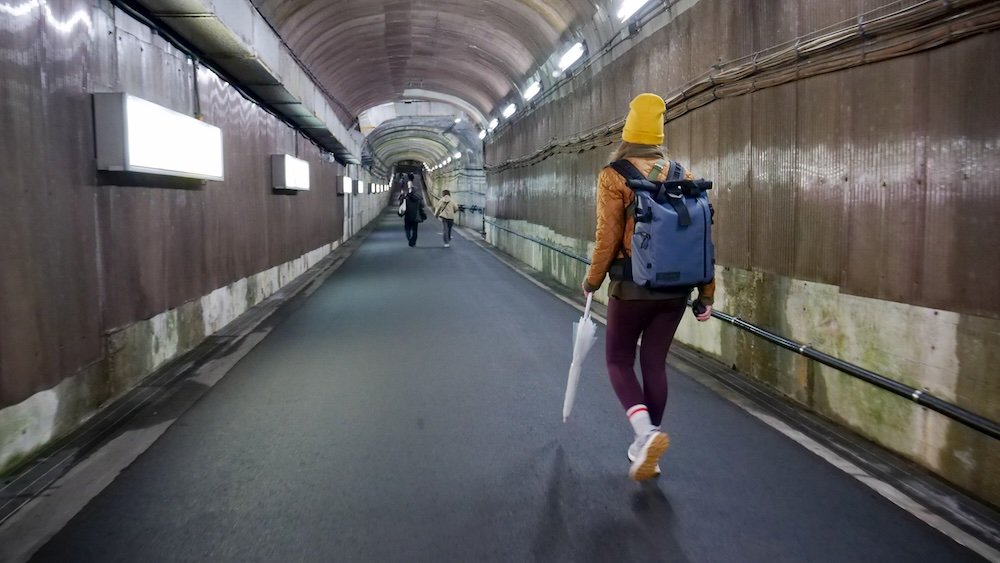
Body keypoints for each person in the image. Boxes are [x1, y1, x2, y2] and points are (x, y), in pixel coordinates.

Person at [582, 93, 714, 482]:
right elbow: (702, 238)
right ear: (658, 136)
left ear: (627, 132)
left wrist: (592, 281)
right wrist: (706, 295)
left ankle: (646, 434)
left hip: (632, 286)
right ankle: (647, 452)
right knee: (654, 364)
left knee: (618, 361)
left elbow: (607, 238)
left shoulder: (614, 175)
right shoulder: (683, 175)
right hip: (677, 290)